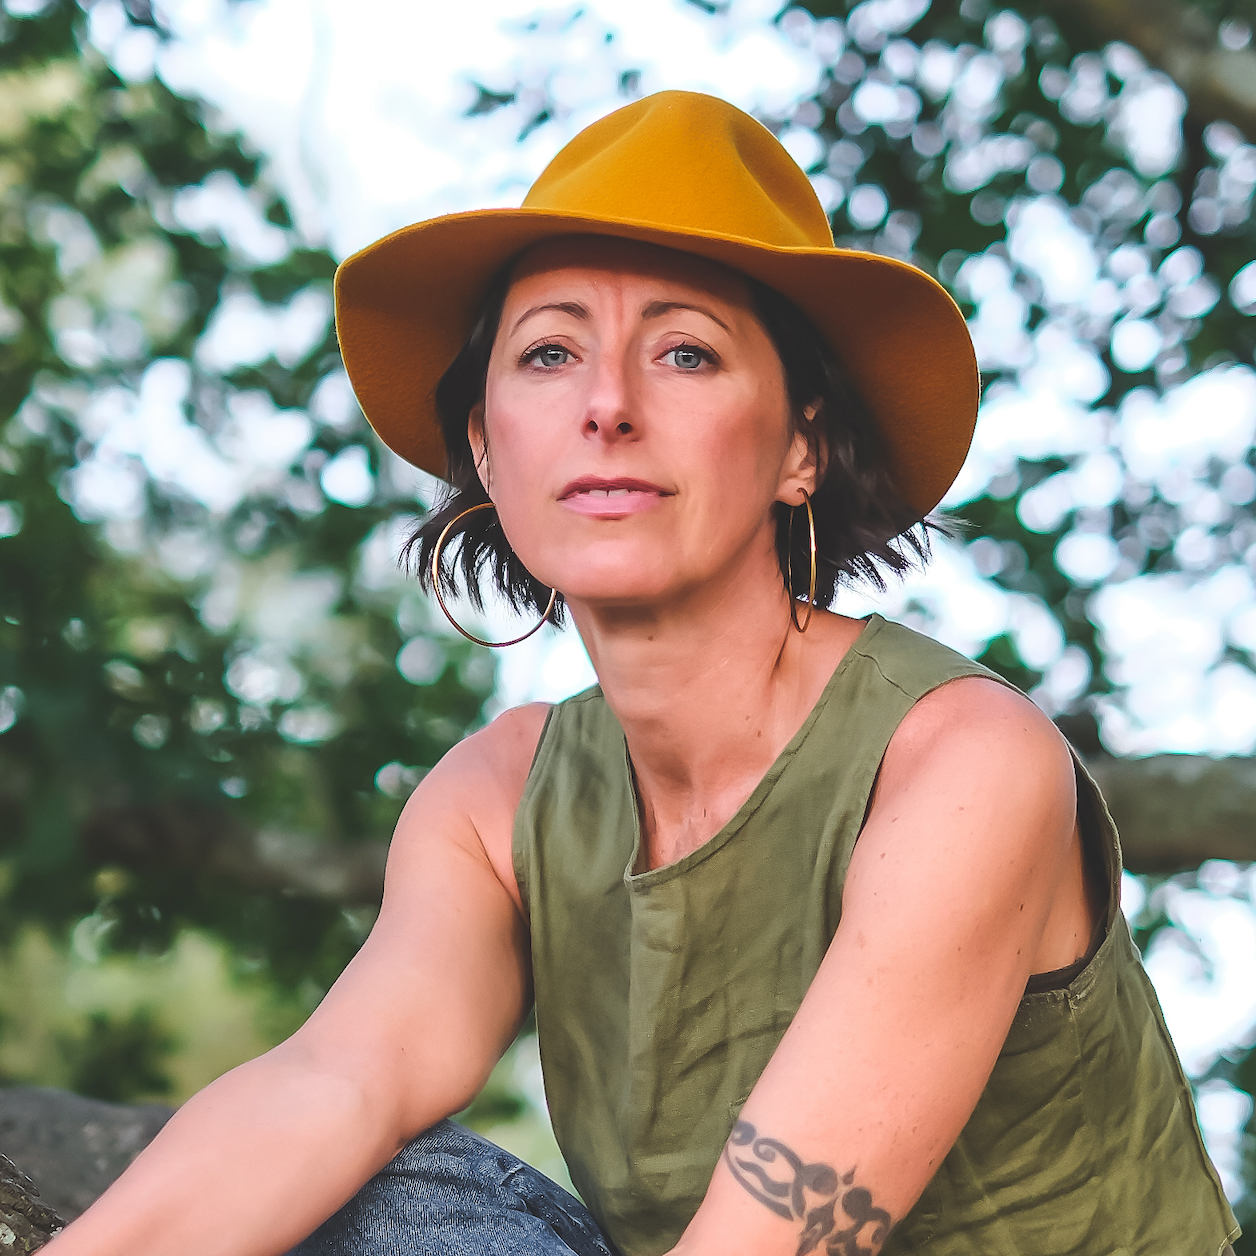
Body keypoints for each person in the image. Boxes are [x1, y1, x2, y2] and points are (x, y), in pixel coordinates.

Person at [47, 91, 1237, 1256]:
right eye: (549, 353)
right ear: (484, 444)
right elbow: (335, 1083)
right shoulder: (494, 802)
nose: (607, 405)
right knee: (371, 1191)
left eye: (684, 353)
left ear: (801, 445)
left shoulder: (961, 761)